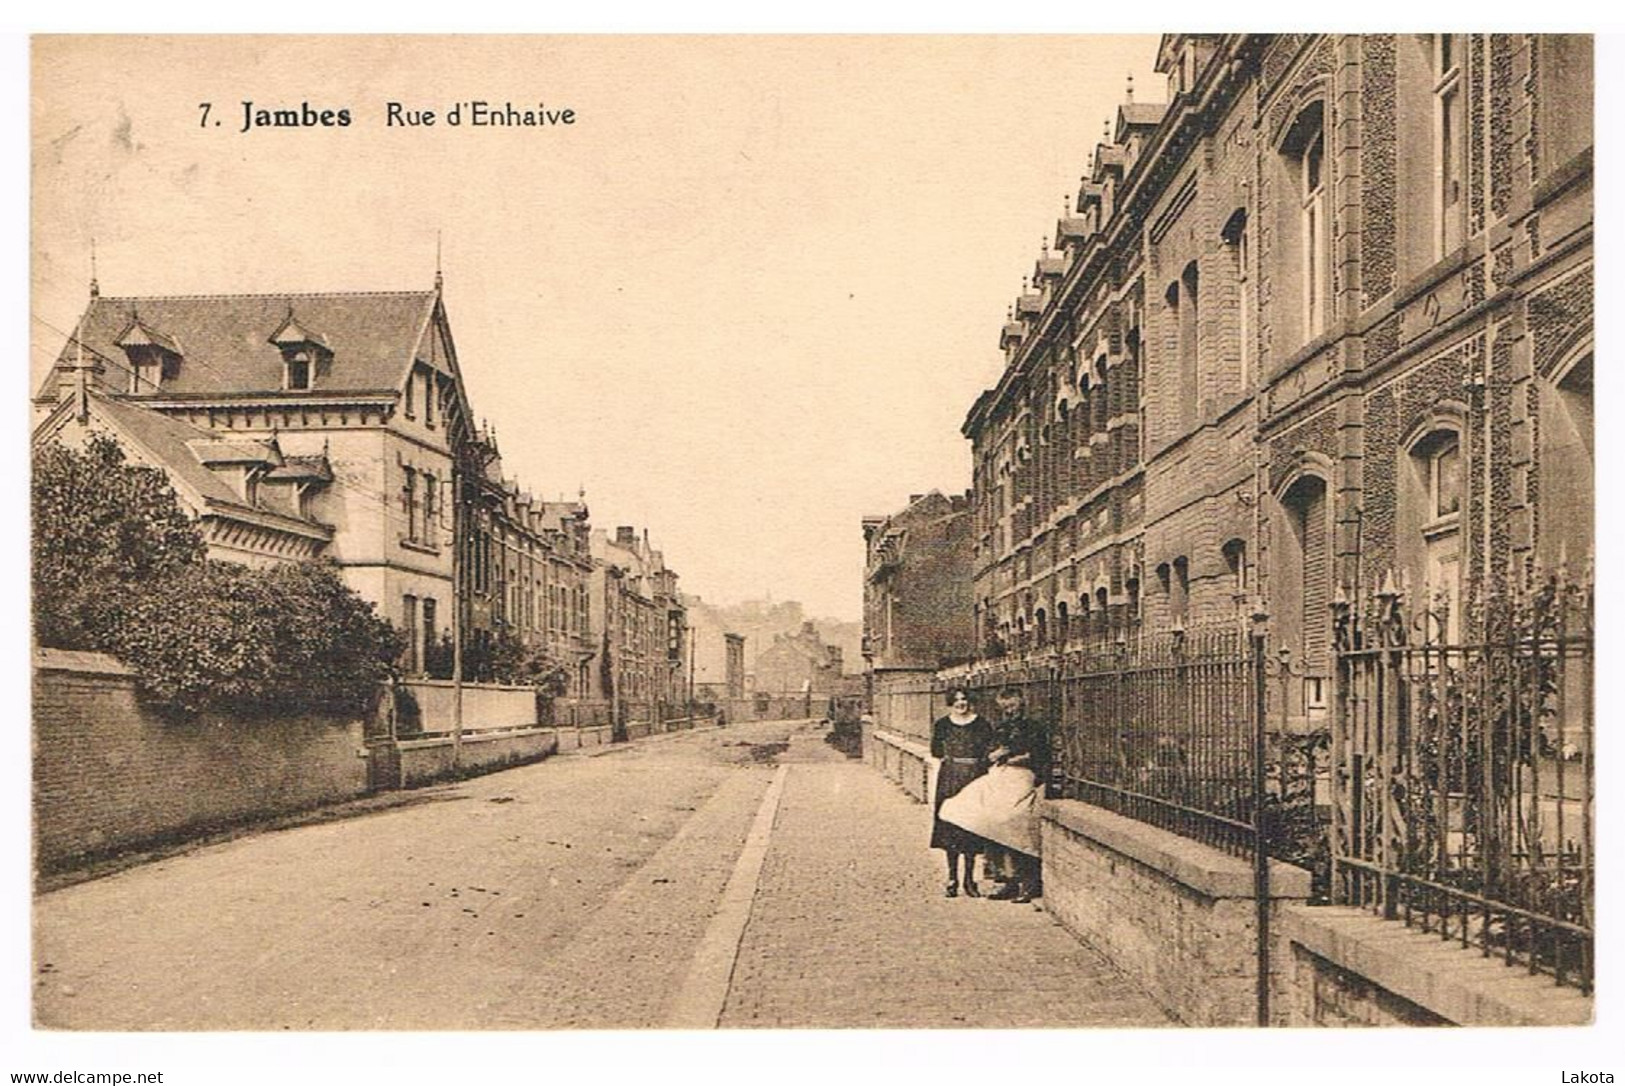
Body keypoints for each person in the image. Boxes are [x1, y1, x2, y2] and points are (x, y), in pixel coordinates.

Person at [983, 686, 1049, 903]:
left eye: (1013, 705)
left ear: (1021, 703)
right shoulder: (1001, 727)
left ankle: (1029, 883)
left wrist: (1010, 757)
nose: (1010, 711)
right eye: (1005, 707)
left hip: (1023, 777)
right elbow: (989, 752)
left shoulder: (1034, 727)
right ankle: (1008, 880)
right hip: (1002, 779)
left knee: (1019, 826)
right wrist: (995, 755)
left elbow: (1037, 754)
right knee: (998, 825)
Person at [929, 688, 994, 898]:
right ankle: (952, 879)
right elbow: (936, 751)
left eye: (964, 699)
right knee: (951, 827)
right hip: (950, 779)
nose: (961, 703)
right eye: (956, 700)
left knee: (971, 827)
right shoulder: (942, 725)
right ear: (950, 702)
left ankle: (969, 880)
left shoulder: (982, 724)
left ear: (970, 701)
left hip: (973, 778)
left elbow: (988, 751)